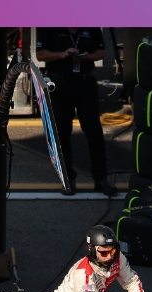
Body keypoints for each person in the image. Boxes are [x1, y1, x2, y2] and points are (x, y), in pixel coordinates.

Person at [35, 28, 114, 196]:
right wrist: (62, 54)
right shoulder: (49, 26)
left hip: (85, 82)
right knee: (62, 132)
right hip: (60, 82)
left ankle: (101, 179)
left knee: (94, 131)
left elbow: (101, 52)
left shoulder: (91, 26)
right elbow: (40, 54)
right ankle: (68, 178)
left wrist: (87, 57)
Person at [48, 225, 150, 292]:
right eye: (104, 253)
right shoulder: (83, 275)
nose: (110, 257)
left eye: (112, 251)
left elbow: (131, 281)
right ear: (92, 251)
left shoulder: (118, 258)